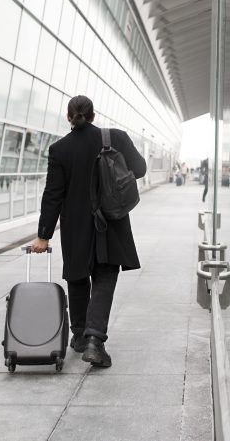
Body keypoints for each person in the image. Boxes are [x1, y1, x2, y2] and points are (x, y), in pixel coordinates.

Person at [31, 95, 146, 368]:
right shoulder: (115, 138)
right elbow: (140, 169)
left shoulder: (59, 149)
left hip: (75, 225)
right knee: (105, 276)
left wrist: (43, 235)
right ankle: (95, 341)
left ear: (68, 117)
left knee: (78, 276)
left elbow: (53, 195)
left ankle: (80, 336)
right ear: (93, 116)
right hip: (111, 221)